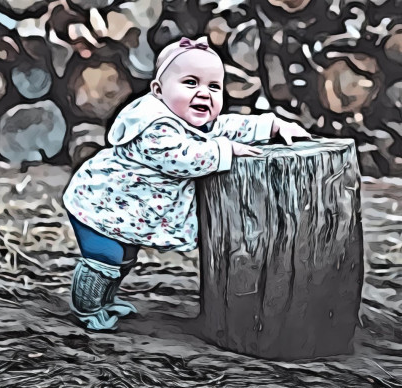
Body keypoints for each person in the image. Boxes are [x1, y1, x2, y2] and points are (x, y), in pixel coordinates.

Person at [63, 36, 311, 331]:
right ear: (158, 90)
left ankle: (105, 300)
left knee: (125, 255)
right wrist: (223, 149)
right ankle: (88, 307)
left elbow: (228, 125)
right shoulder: (154, 126)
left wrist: (272, 125)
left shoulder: (191, 120)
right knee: (106, 256)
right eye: (191, 83)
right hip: (98, 204)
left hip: (123, 210)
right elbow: (181, 158)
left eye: (213, 87)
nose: (204, 94)